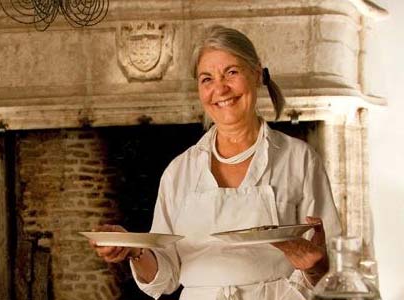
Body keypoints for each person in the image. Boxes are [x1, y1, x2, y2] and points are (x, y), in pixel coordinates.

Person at [91, 25, 341, 300]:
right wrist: (133, 248)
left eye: (231, 72)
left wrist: (316, 267)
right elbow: (166, 276)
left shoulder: (299, 159)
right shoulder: (179, 172)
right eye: (206, 79)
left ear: (256, 74)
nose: (220, 89)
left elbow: (332, 268)